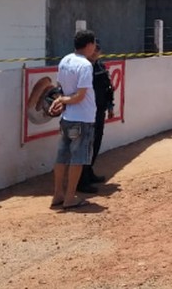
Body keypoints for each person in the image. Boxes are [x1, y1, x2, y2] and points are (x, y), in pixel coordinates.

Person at [50, 29, 98, 210]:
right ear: (88, 45)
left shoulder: (65, 60)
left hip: (67, 117)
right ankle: (70, 197)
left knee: (62, 156)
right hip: (82, 117)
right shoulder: (85, 65)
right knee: (77, 158)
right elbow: (79, 96)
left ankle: (58, 194)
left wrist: (62, 99)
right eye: (93, 44)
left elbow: (61, 88)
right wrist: (63, 100)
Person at [77, 41, 116, 192]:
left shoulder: (100, 66)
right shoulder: (83, 67)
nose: (95, 52)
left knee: (96, 142)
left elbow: (108, 87)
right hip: (86, 111)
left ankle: (88, 172)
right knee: (86, 144)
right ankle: (82, 180)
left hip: (99, 110)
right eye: (93, 49)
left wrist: (110, 105)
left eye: (97, 50)